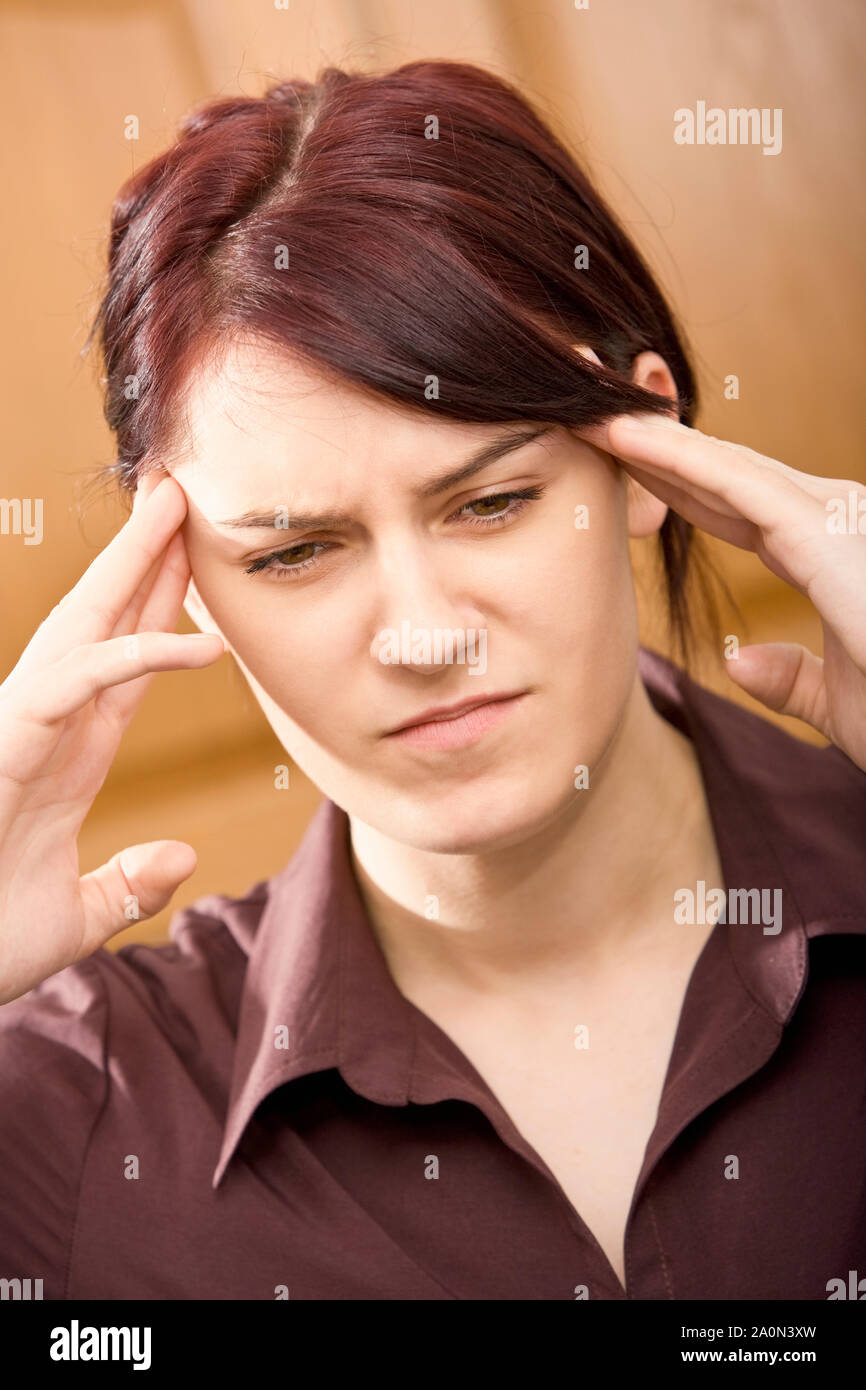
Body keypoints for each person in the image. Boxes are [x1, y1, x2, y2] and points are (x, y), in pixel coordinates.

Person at [0, 60, 863, 1302]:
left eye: (493, 501)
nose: (420, 635)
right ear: (181, 571)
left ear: (648, 456)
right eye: (295, 550)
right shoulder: (72, 1110)